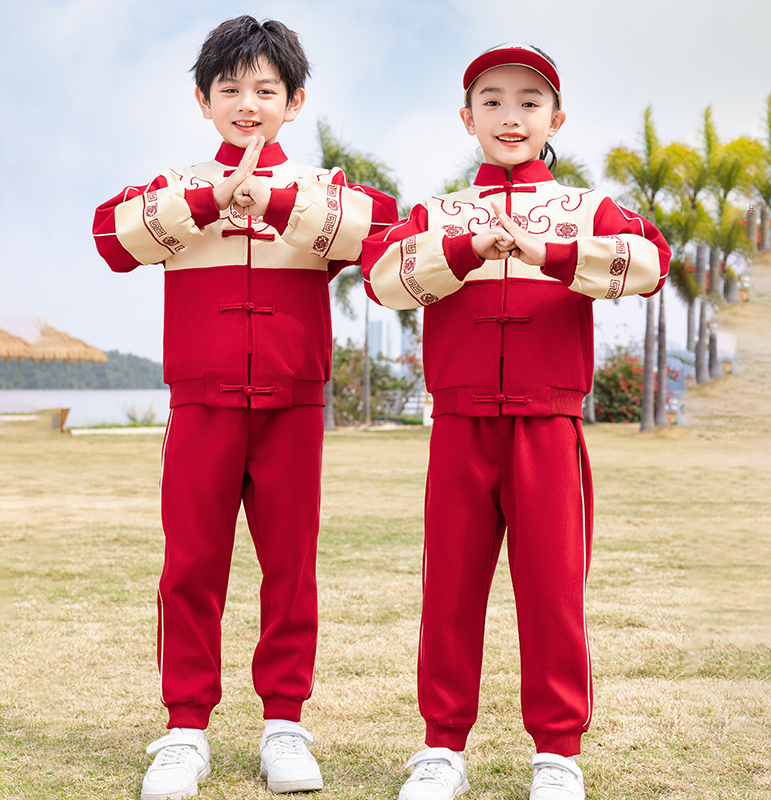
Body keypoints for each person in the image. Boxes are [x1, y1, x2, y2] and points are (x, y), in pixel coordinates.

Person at [92, 16, 397, 800]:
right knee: (191, 568)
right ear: (203, 100)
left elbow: (389, 233)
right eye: (230, 88)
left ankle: (284, 727)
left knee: (290, 570)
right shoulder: (175, 188)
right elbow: (111, 237)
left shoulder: (325, 192)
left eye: (266, 89)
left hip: (293, 406)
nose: (247, 102)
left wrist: (277, 200)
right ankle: (184, 731)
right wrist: (212, 198)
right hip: (201, 404)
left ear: (295, 102)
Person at [362, 44, 670, 800]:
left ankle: (557, 754)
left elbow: (651, 262)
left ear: (554, 119)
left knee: (553, 592)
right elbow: (381, 279)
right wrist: (466, 248)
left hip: (547, 427)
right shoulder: (437, 213)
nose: (511, 115)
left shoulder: (585, 207)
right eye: (492, 100)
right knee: (451, 593)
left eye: (529, 102)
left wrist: (549, 251)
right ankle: (441, 749)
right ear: (467, 119)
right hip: (460, 424)